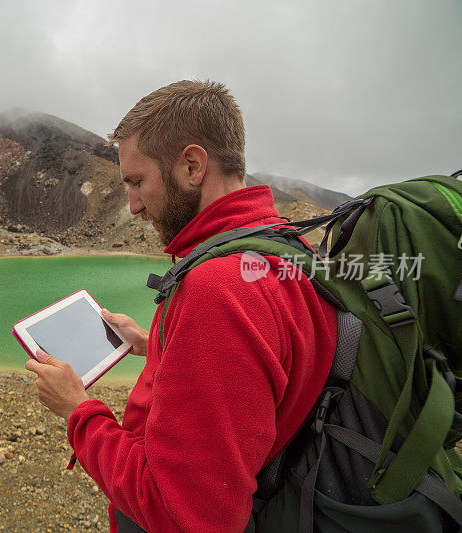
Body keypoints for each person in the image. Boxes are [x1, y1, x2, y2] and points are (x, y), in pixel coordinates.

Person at [25, 80, 337, 532]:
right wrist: (155, 346)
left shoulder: (219, 289)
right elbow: (265, 365)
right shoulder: (286, 245)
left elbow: (184, 516)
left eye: (137, 182)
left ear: (192, 165)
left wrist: (79, 411)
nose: (133, 206)